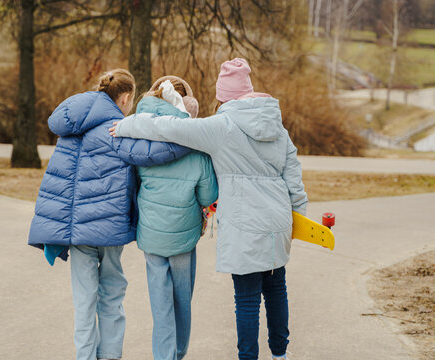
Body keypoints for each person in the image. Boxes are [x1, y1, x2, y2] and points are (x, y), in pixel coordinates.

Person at [110, 58, 308, 360]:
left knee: (247, 298)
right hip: (278, 219)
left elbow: (168, 128)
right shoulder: (277, 127)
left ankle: (248, 357)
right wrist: (298, 217)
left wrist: (127, 123)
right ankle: (280, 355)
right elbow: (293, 174)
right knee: (276, 287)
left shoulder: (221, 127)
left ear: (223, 95)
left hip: (245, 224)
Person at [28, 69, 190, 360]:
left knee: (83, 300)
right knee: (111, 296)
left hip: (75, 232)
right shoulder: (116, 128)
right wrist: (189, 133)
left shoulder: (70, 128)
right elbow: (156, 152)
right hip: (108, 230)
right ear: (126, 98)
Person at [133, 76, 218, 360]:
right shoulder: (194, 145)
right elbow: (208, 196)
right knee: (182, 301)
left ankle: (163, 355)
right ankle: (177, 353)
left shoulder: (140, 138)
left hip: (151, 235)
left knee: (160, 304)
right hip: (183, 236)